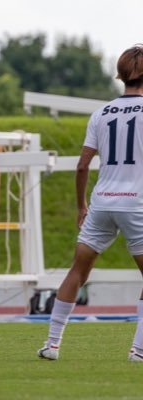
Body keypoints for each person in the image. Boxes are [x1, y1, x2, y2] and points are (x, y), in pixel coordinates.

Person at [38, 44, 143, 362]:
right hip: (136, 204)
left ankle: (52, 344)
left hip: (101, 203)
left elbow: (83, 165)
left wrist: (81, 206)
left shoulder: (102, 113)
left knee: (78, 270)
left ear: (121, 74)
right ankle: (138, 350)